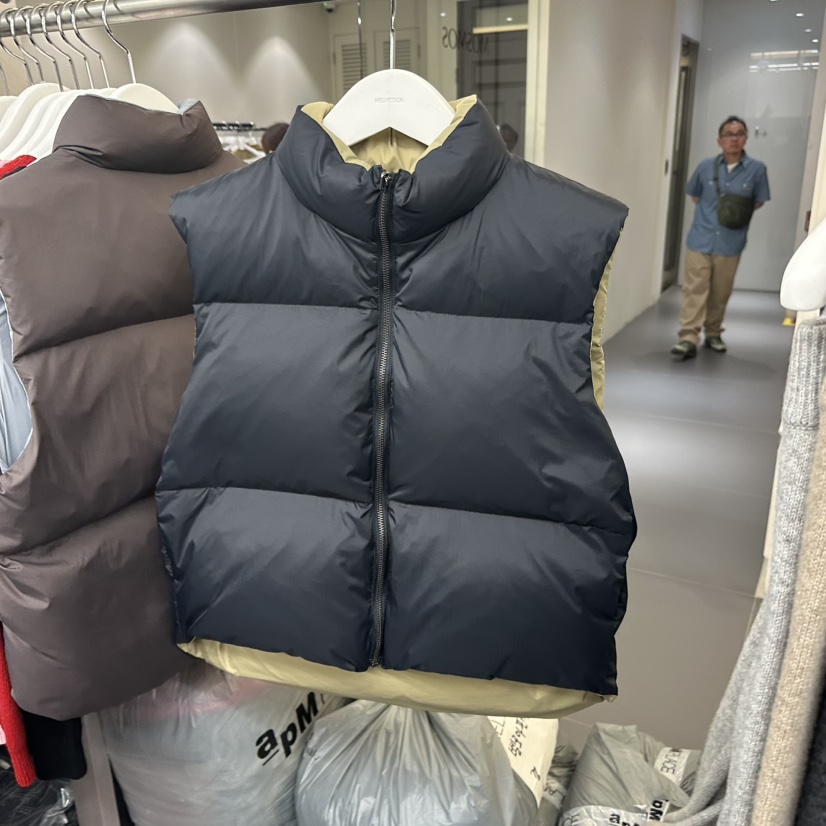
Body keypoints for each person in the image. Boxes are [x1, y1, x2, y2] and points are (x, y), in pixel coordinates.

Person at [670, 115, 770, 359]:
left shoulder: (757, 170)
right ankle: (688, 337)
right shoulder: (705, 167)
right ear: (719, 140)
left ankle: (713, 332)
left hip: (730, 242)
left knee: (721, 291)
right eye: (728, 134)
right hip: (700, 238)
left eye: (739, 134)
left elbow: (758, 202)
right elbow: (695, 196)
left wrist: (733, 214)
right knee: (694, 289)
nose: (734, 139)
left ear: (746, 138)